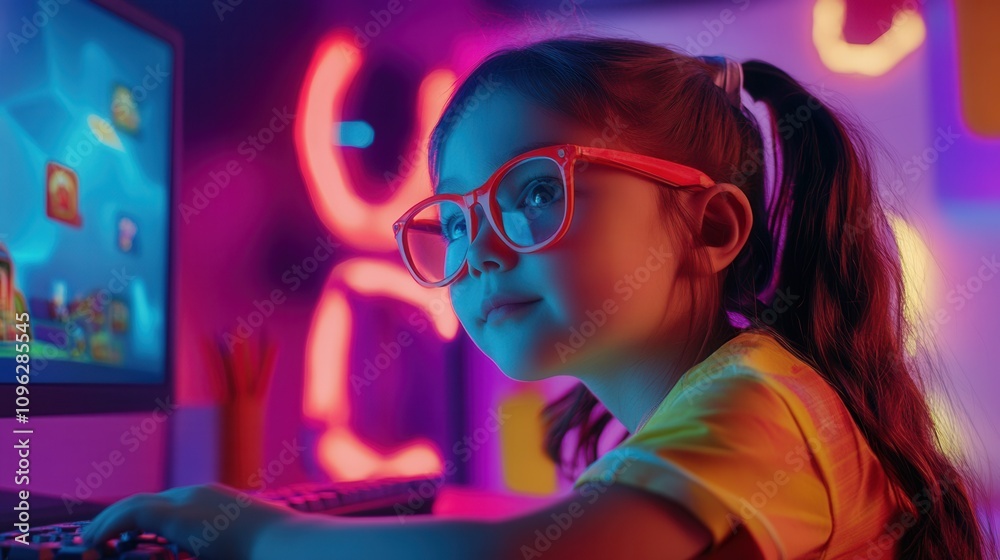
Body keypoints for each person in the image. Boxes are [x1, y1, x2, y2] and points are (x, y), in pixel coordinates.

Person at [81, 34, 998, 559]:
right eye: (454, 219)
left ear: (712, 228)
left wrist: (258, 537)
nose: (476, 251)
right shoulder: (721, 403)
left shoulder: (762, 405)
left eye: (533, 193)